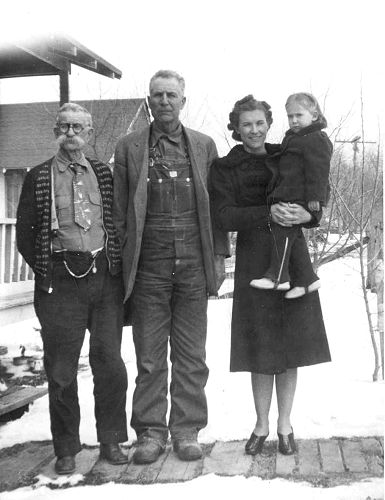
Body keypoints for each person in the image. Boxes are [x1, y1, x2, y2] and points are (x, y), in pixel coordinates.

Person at [113, 70, 229, 464]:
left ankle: (186, 430)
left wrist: (218, 257)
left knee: (192, 354)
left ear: (184, 100)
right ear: (149, 101)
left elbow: (217, 210)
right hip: (149, 266)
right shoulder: (130, 147)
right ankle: (149, 432)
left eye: (171, 95)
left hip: (194, 264)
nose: (164, 101)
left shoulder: (203, 145)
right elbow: (118, 214)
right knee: (148, 355)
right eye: (157, 95)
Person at [210, 95, 331, 456]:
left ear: (269, 122)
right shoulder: (225, 167)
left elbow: (315, 197)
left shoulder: (286, 153)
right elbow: (224, 216)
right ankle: (262, 424)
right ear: (236, 127)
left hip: (292, 258)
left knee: (290, 345)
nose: (254, 130)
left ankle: (285, 425)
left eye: (260, 122)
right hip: (255, 261)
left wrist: (307, 217)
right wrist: (268, 213)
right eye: (246, 124)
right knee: (259, 348)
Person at [16, 103, 128, 475]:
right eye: (64, 126)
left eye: (78, 126)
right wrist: (51, 268)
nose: (71, 133)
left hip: (104, 278)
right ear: (55, 132)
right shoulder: (38, 176)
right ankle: (66, 448)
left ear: (91, 132)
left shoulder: (104, 174)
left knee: (109, 363)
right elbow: (24, 236)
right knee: (61, 371)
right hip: (60, 283)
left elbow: (117, 223)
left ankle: (111, 439)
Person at [250, 92, 333, 298]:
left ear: (314, 115)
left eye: (299, 115)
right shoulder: (294, 137)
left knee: (283, 229)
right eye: (290, 116)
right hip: (287, 191)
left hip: (299, 195)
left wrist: (316, 198)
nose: (294, 120)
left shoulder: (316, 138)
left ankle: (278, 277)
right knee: (293, 237)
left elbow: (319, 170)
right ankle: (307, 280)